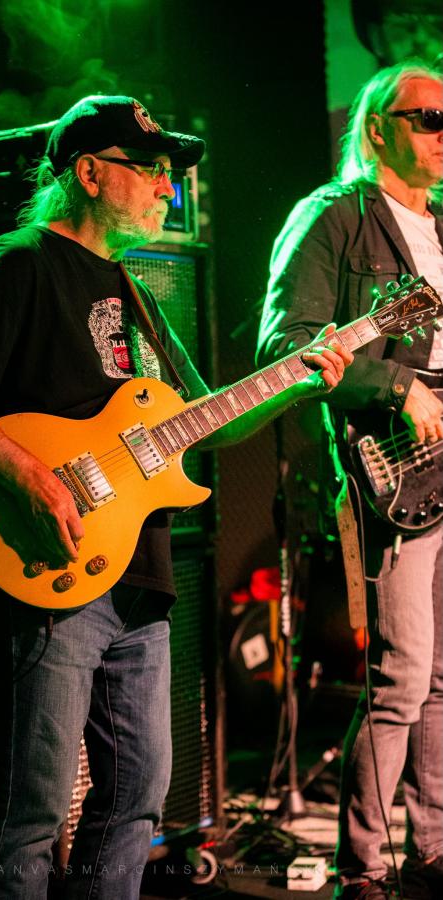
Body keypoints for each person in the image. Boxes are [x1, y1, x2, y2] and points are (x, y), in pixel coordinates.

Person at [0, 93, 352, 900]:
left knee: (137, 800)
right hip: (56, 563)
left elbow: (205, 422)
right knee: (33, 809)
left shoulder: (136, 291)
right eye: (150, 169)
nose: (167, 188)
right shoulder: (19, 263)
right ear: (89, 173)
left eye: (170, 175)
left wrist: (297, 383)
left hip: (139, 577)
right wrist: (32, 479)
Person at [256, 61, 443, 899]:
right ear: (376, 129)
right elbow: (285, 345)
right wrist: (396, 387)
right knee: (402, 676)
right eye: (427, 118)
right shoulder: (334, 216)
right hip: (394, 464)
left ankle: (432, 850)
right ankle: (363, 868)